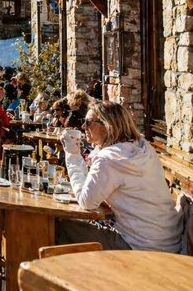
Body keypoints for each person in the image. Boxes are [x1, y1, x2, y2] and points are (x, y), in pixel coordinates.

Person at [56, 101, 182, 252]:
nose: (83, 127)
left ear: (106, 126)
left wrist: (73, 155)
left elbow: (87, 202)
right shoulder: (143, 147)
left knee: (57, 226)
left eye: (88, 122)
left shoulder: (108, 159)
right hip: (170, 241)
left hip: (139, 246)